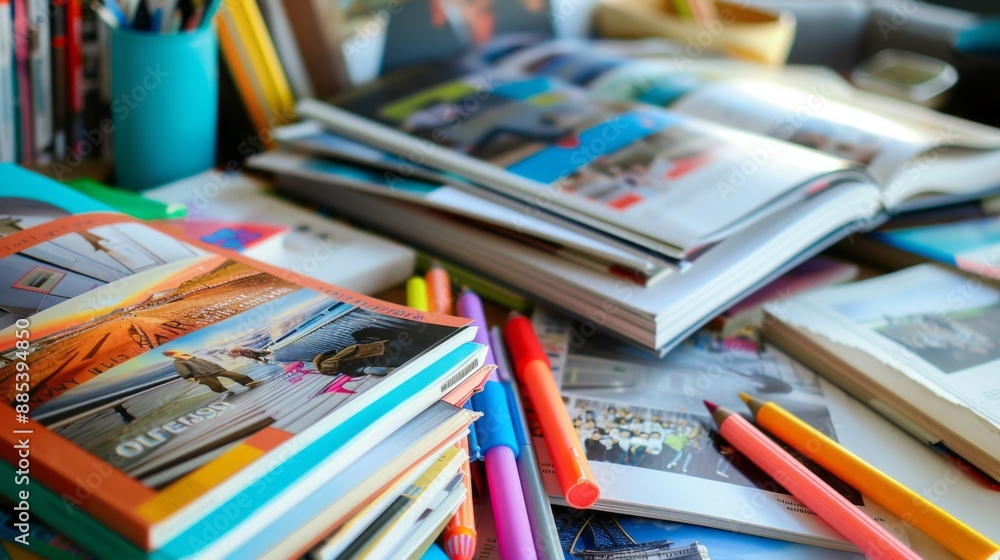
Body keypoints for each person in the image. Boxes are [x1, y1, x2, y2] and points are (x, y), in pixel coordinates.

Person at [164, 351, 262, 393]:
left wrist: (217, 366)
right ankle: (223, 392)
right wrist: (189, 377)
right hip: (201, 375)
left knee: (233, 375)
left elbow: (206, 362)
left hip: (214, 370)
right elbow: (183, 370)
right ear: (171, 355)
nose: (176, 353)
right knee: (214, 384)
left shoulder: (190, 356)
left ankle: (248, 382)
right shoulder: (178, 362)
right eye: (172, 353)